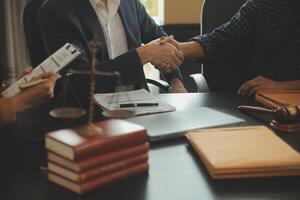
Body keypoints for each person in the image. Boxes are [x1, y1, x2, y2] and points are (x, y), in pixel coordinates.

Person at [37, 0, 187, 96]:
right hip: (91, 116)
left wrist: (176, 81)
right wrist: (142, 55)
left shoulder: (130, 3)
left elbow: (160, 40)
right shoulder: (55, 11)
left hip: (140, 106)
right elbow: (80, 80)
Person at [160, 0, 300, 96]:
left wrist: (280, 86)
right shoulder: (265, 4)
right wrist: (177, 49)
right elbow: (221, 40)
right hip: (264, 102)